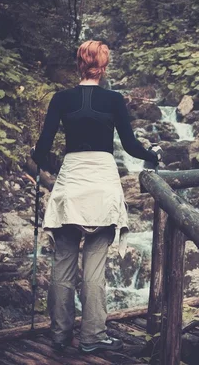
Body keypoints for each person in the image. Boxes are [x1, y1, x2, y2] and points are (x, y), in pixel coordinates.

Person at [31, 40, 162, 353]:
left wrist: (46, 165)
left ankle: (60, 335)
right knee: (94, 268)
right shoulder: (113, 99)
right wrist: (151, 154)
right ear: (103, 68)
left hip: (71, 184)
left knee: (62, 266)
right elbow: (130, 146)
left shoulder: (61, 99)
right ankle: (92, 336)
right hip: (102, 185)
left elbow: (42, 149)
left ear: (79, 64)